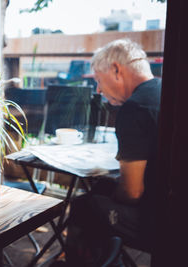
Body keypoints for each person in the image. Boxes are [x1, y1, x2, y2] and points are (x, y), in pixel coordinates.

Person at [61, 39, 162, 267]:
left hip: (161, 221)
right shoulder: (164, 91)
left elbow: (132, 192)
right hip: (173, 203)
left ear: (116, 70)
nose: (98, 89)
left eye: (98, 79)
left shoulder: (134, 108)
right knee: (102, 188)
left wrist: (114, 195)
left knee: (85, 207)